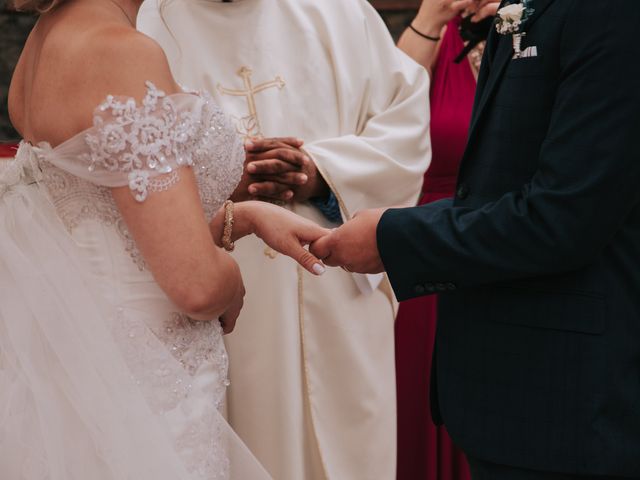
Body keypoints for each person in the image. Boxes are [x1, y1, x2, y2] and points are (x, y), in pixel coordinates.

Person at [1, 0, 330, 478]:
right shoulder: (121, 53)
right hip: (140, 384)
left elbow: (106, 226)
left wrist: (249, 216)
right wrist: (230, 280)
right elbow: (194, 285)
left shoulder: (48, 35)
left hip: (91, 362)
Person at [312, 1, 640, 479]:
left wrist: (392, 238)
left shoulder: (609, 12)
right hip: (510, 390)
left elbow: (562, 218)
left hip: (570, 401)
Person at [138, 1, 430, 479]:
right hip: (214, 296)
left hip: (333, 292)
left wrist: (320, 173)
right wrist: (214, 181)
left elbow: (406, 126)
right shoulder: (148, 22)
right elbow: (117, 171)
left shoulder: (341, 12)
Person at [394, 1, 498, 479]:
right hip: (428, 249)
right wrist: (431, 18)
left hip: (506, 245)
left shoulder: (532, 30)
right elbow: (387, 118)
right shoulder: (430, 35)